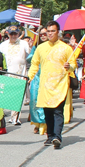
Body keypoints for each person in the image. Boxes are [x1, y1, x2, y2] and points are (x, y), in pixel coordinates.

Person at [28, 20, 76, 149]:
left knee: (57, 111)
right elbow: (34, 63)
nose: (50, 34)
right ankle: (50, 136)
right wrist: (30, 76)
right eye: (48, 31)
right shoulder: (41, 48)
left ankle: (57, 137)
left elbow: (73, 64)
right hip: (45, 85)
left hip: (60, 84)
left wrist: (69, 66)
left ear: (58, 32)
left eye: (52, 31)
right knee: (47, 112)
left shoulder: (66, 48)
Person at [0, 25, 30, 125]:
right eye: (11, 34)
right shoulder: (3, 45)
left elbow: (30, 56)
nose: (13, 36)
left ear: (18, 34)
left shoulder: (24, 43)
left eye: (15, 34)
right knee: (7, 96)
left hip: (20, 73)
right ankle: (1, 115)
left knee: (17, 96)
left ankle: (15, 117)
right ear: (8, 34)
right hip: (7, 73)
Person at [26, 26, 48, 135]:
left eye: (45, 33)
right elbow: (29, 59)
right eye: (41, 34)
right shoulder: (36, 47)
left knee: (46, 101)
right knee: (34, 100)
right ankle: (37, 123)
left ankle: (46, 124)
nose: (43, 36)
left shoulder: (52, 46)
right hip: (36, 77)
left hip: (48, 77)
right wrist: (32, 50)